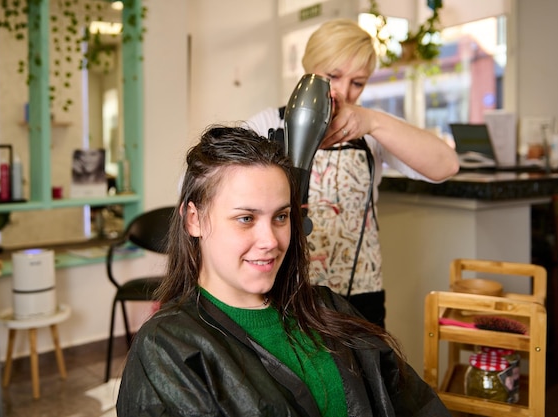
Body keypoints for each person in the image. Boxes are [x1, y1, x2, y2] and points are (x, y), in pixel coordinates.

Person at [116, 125, 451, 417]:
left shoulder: (327, 309)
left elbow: (417, 405)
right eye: (246, 218)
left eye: (280, 217)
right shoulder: (166, 348)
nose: (270, 241)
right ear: (194, 219)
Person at [245, 18, 459, 327]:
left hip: (360, 294)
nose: (344, 91)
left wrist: (373, 122)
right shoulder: (266, 125)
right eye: (333, 76)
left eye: (358, 82)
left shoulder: (373, 129)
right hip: (286, 291)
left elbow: (446, 165)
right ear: (308, 67)